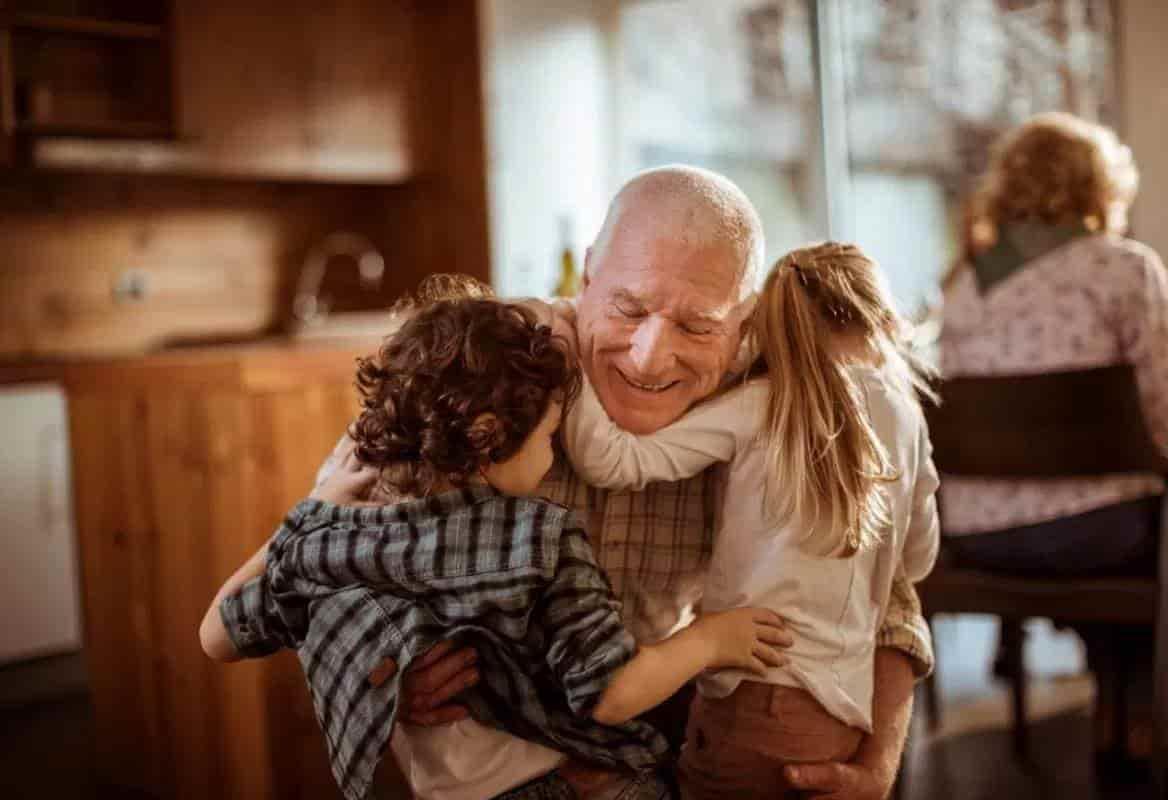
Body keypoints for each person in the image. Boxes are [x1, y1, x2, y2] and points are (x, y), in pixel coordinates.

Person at [320, 166, 935, 800]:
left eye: (697, 326)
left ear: (744, 321)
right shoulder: (484, 364)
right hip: (479, 762)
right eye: (628, 308)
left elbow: (888, 593)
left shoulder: (765, 402)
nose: (648, 358)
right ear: (588, 276)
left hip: (651, 733)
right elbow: (320, 554)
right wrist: (383, 671)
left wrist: (879, 759)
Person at [199, 289, 792, 800]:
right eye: (549, 438)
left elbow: (216, 635)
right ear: (487, 438)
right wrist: (713, 639)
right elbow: (610, 693)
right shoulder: (538, 539)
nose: (553, 455)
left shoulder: (337, 537)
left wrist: (310, 518)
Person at [560, 241, 939, 798]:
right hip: (842, 714)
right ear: (883, 318)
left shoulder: (763, 403)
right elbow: (919, 560)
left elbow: (611, 459)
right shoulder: (908, 419)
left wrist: (568, 350)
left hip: (750, 698)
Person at [938, 111, 1168, 756]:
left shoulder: (965, 284)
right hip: (1098, 534)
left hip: (975, 535)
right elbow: (1167, 420)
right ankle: (1145, 715)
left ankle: (1118, 703)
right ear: (1099, 188)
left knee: (1124, 512)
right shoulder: (1124, 268)